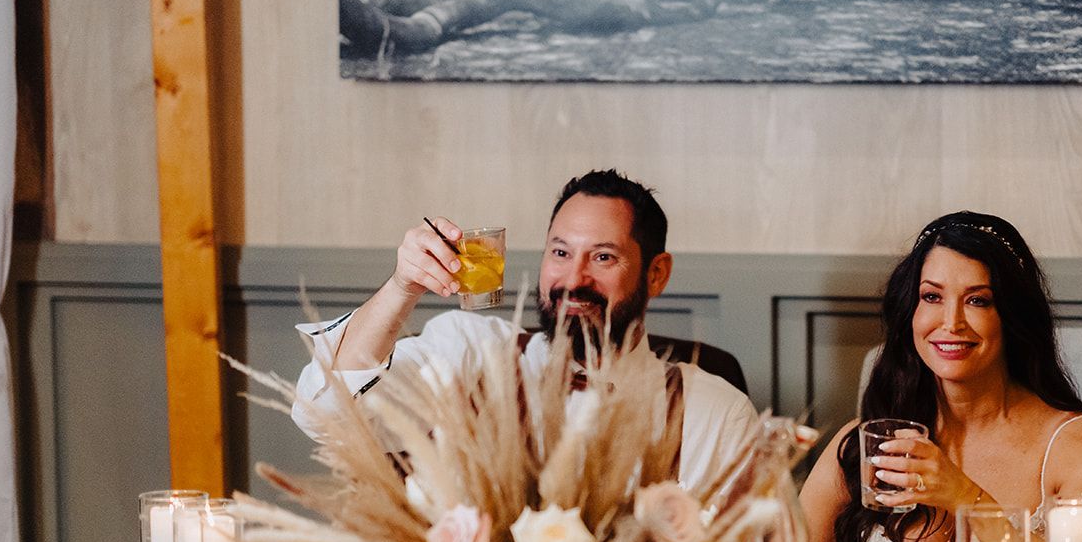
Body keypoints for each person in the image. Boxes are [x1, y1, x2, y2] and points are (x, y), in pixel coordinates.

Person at [291, 169, 759, 492]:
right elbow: (326, 415)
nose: (574, 279)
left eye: (603, 257)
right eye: (560, 252)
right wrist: (401, 287)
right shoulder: (469, 355)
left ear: (656, 274)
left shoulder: (716, 414)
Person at [799, 210, 1082, 542]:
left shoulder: (1079, 444)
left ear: (1012, 315)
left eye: (977, 301)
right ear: (910, 310)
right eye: (932, 296)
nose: (951, 322)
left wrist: (964, 495)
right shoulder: (864, 445)